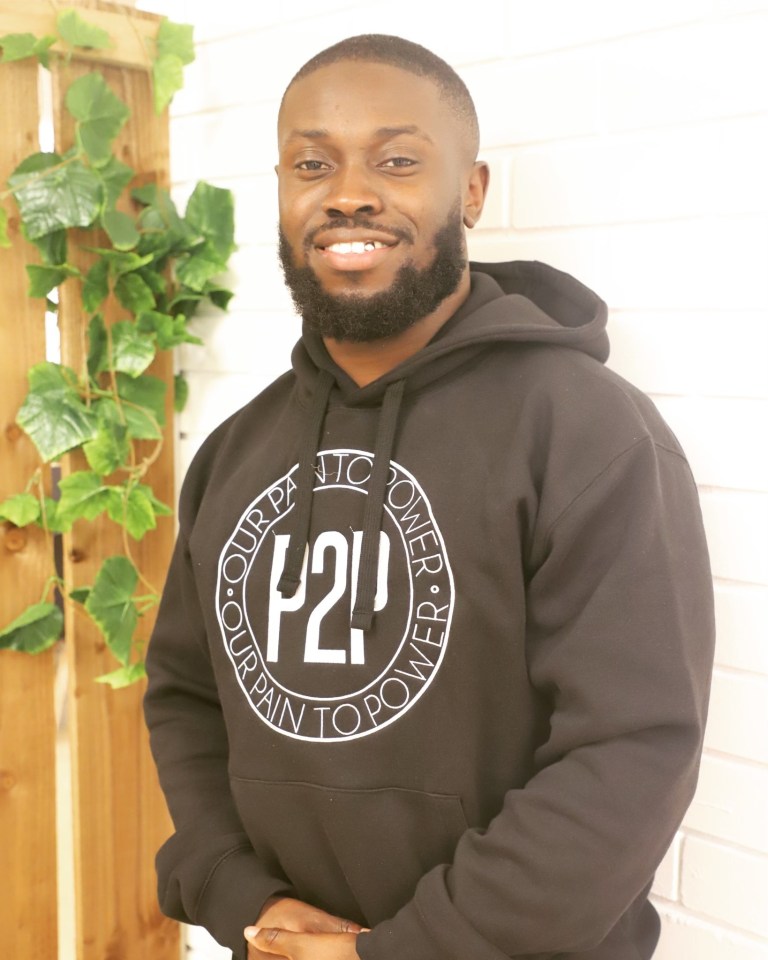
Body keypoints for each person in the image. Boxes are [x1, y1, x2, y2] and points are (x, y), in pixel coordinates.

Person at [143, 34, 715, 960]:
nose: (349, 192)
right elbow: (183, 698)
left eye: (398, 160)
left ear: (473, 191)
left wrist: (400, 952)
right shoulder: (235, 452)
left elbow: (630, 753)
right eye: (311, 163)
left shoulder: (589, 434)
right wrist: (244, 896)